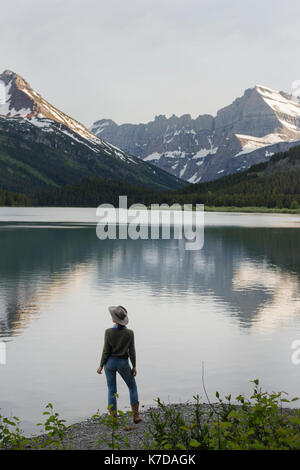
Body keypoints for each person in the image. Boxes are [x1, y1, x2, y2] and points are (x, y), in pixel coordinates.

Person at [97, 305, 142, 424]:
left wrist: (101, 365)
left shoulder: (108, 332)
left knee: (111, 390)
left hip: (109, 363)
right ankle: (136, 416)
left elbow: (105, 350)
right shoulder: (130, 333)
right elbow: (132, 351)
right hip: (123, 363)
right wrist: (134, 366)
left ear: (114, 319)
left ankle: (113, 419)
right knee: (132, 387)